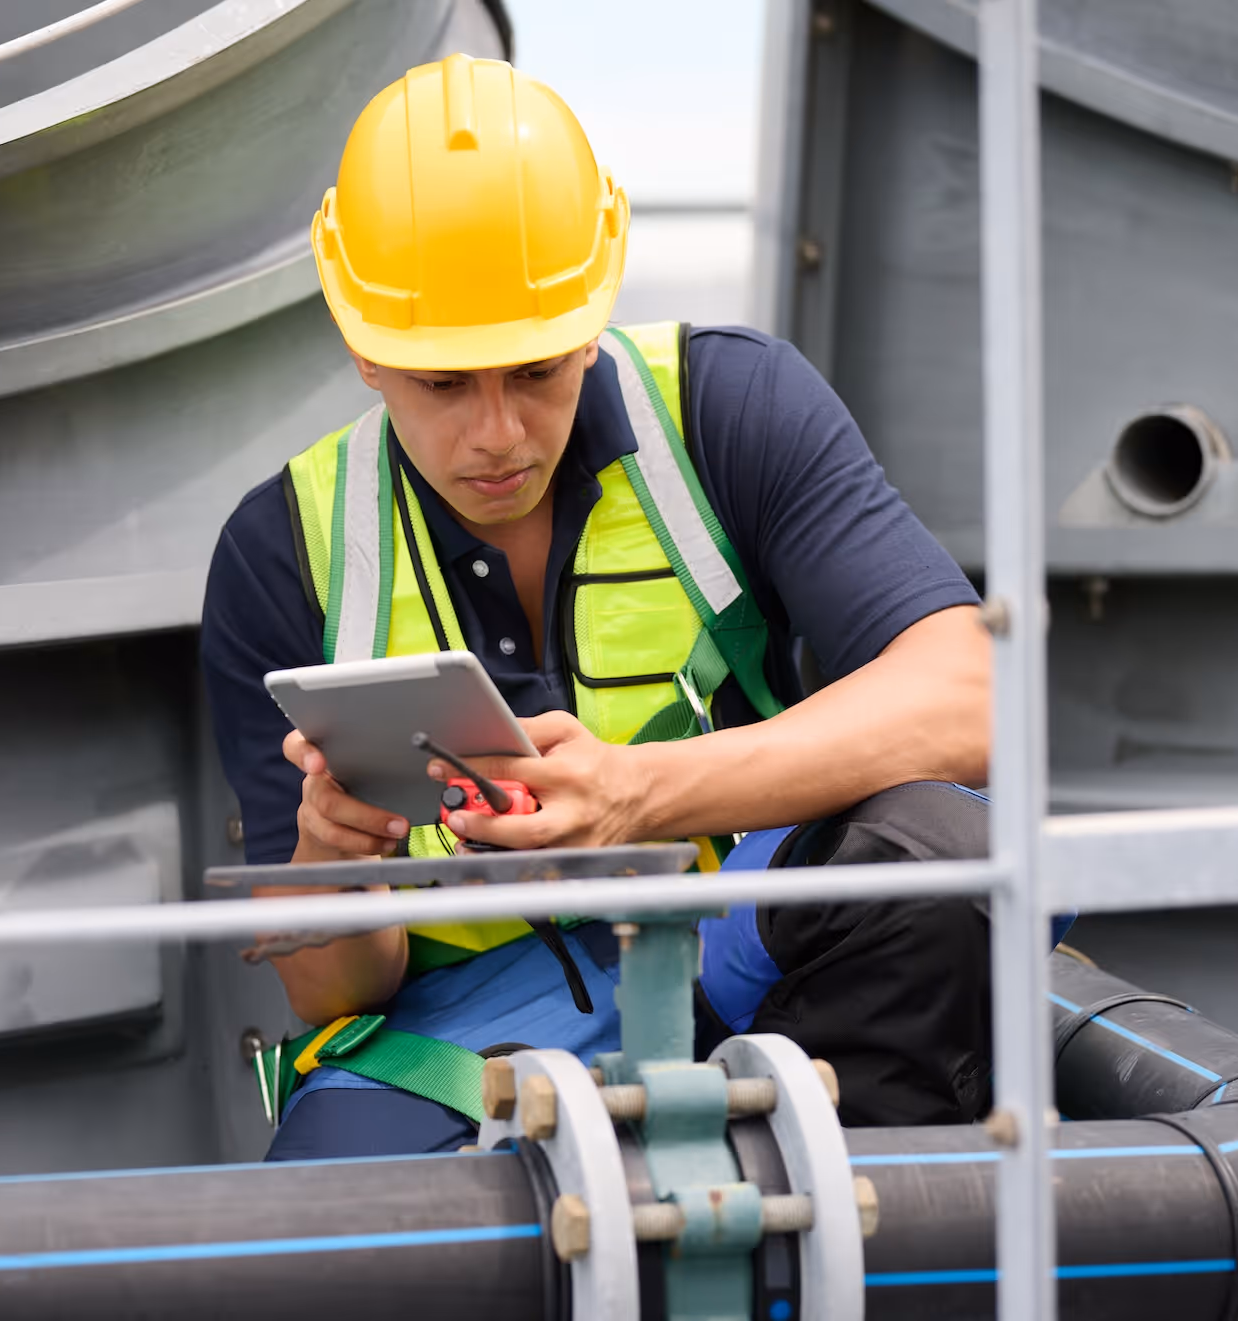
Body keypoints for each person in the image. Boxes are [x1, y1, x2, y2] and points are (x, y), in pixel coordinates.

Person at [201, 54, 992, 1160]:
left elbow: (971, 695)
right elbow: (331, 994)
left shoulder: (734, 409)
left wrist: (637, 791)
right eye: (445, 383)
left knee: (935, 850)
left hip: (736, 945)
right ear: (363, 347)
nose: (497, 434)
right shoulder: (280, 551)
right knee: (325, 1211)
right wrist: (338, 864)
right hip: (462, 1027)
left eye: (535, 371)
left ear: (591, 318)